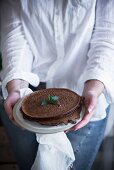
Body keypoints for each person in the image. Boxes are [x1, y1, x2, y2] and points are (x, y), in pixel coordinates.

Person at [0, 0, 114, 169]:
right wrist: (16, 87)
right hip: (23, 97)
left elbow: (106, 37)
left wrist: (93, 88)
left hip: (83, 98)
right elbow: (14, 33)